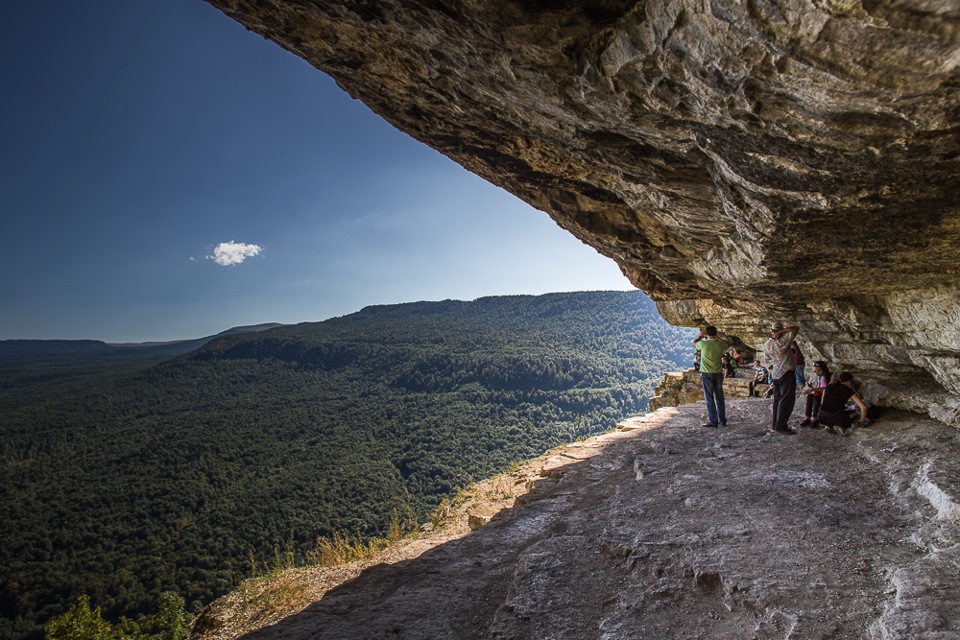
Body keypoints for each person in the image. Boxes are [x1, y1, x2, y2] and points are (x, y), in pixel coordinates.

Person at [763, 321, 800, 434]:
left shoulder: (767, 344)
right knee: (786, 400)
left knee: (777, 400)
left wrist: (775, 333)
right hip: (786, 374)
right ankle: (781, 426)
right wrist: (782, 331)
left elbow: (767, 357)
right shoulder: (783, 341)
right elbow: (795, 328)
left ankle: (775, 425)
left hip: (776, 374)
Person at [693, 326, 728, 428]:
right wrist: (718, 338)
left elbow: (694, 343)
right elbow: (727, 343)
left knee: (709, 397)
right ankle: (723, 420)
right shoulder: (720, 344)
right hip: (718, 373)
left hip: (706, 373)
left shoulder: (703, 344)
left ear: (706, 334)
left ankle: (713, 421)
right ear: (716, 333)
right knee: (720, 397)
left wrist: (700, 337)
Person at [818, 372, 870, 436]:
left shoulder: (829, 386)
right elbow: (863, 407)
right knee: (856, 413)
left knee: (834, 411)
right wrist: (861, 420)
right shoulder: (847, 390)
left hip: (821, 416)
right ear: (848, 381)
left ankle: (830, 426)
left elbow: (824, 401)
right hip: (836, 418)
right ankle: (842, 427)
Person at [800, 360, 831, 428]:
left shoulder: (826, 376)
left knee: (817, 401)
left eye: (819, 371)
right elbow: (812, 384)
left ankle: (815, 419)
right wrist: (809, 386)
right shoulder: (816, 375)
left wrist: (814, 389)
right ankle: (807, 418)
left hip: (823, 393)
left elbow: (825, 388)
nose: (817, 372)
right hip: (816, 391)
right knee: (809, 400)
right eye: (815, 371)